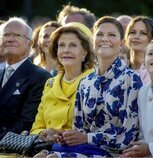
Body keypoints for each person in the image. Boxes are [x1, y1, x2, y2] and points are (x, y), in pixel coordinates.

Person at [44, 16, 142, 158]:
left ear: (121, 43)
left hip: (114, 154)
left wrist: (87, 138)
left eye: (111, 35)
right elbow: (79, 130)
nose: (104, 39)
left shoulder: (131, 79)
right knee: (43, 154)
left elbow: (128, 138)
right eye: (100, 34)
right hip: (83, 150)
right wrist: (67, 137)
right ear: (92, 41)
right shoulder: (85, 82)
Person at [31, 22, 94, 157]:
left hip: (80, 151)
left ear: (84, 52)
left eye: (73, 45)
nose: (66, 50)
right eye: (61, 45)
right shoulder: (50, 83)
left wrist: (59, 134)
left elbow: (96, 131)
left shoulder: (94, 82)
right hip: (44, 148)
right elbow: (36, 128)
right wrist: (46, 134)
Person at [0, 17, 51, 140]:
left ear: (30, 44)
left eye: (17, 35)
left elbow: (27, 122)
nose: (10, 39)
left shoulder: (40, 77)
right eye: (6, 35)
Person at [120, 39, 153, 158]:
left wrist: (151, 149)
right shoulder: (143, 92)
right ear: (144, 62)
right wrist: (135, 150)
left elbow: (149, 148)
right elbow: (143, 134)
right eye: (151, 53)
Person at [125, 16, 153, 84]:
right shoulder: (119, 67)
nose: (136, 36)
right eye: (133, 32)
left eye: (143, 33)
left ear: (152, 38)